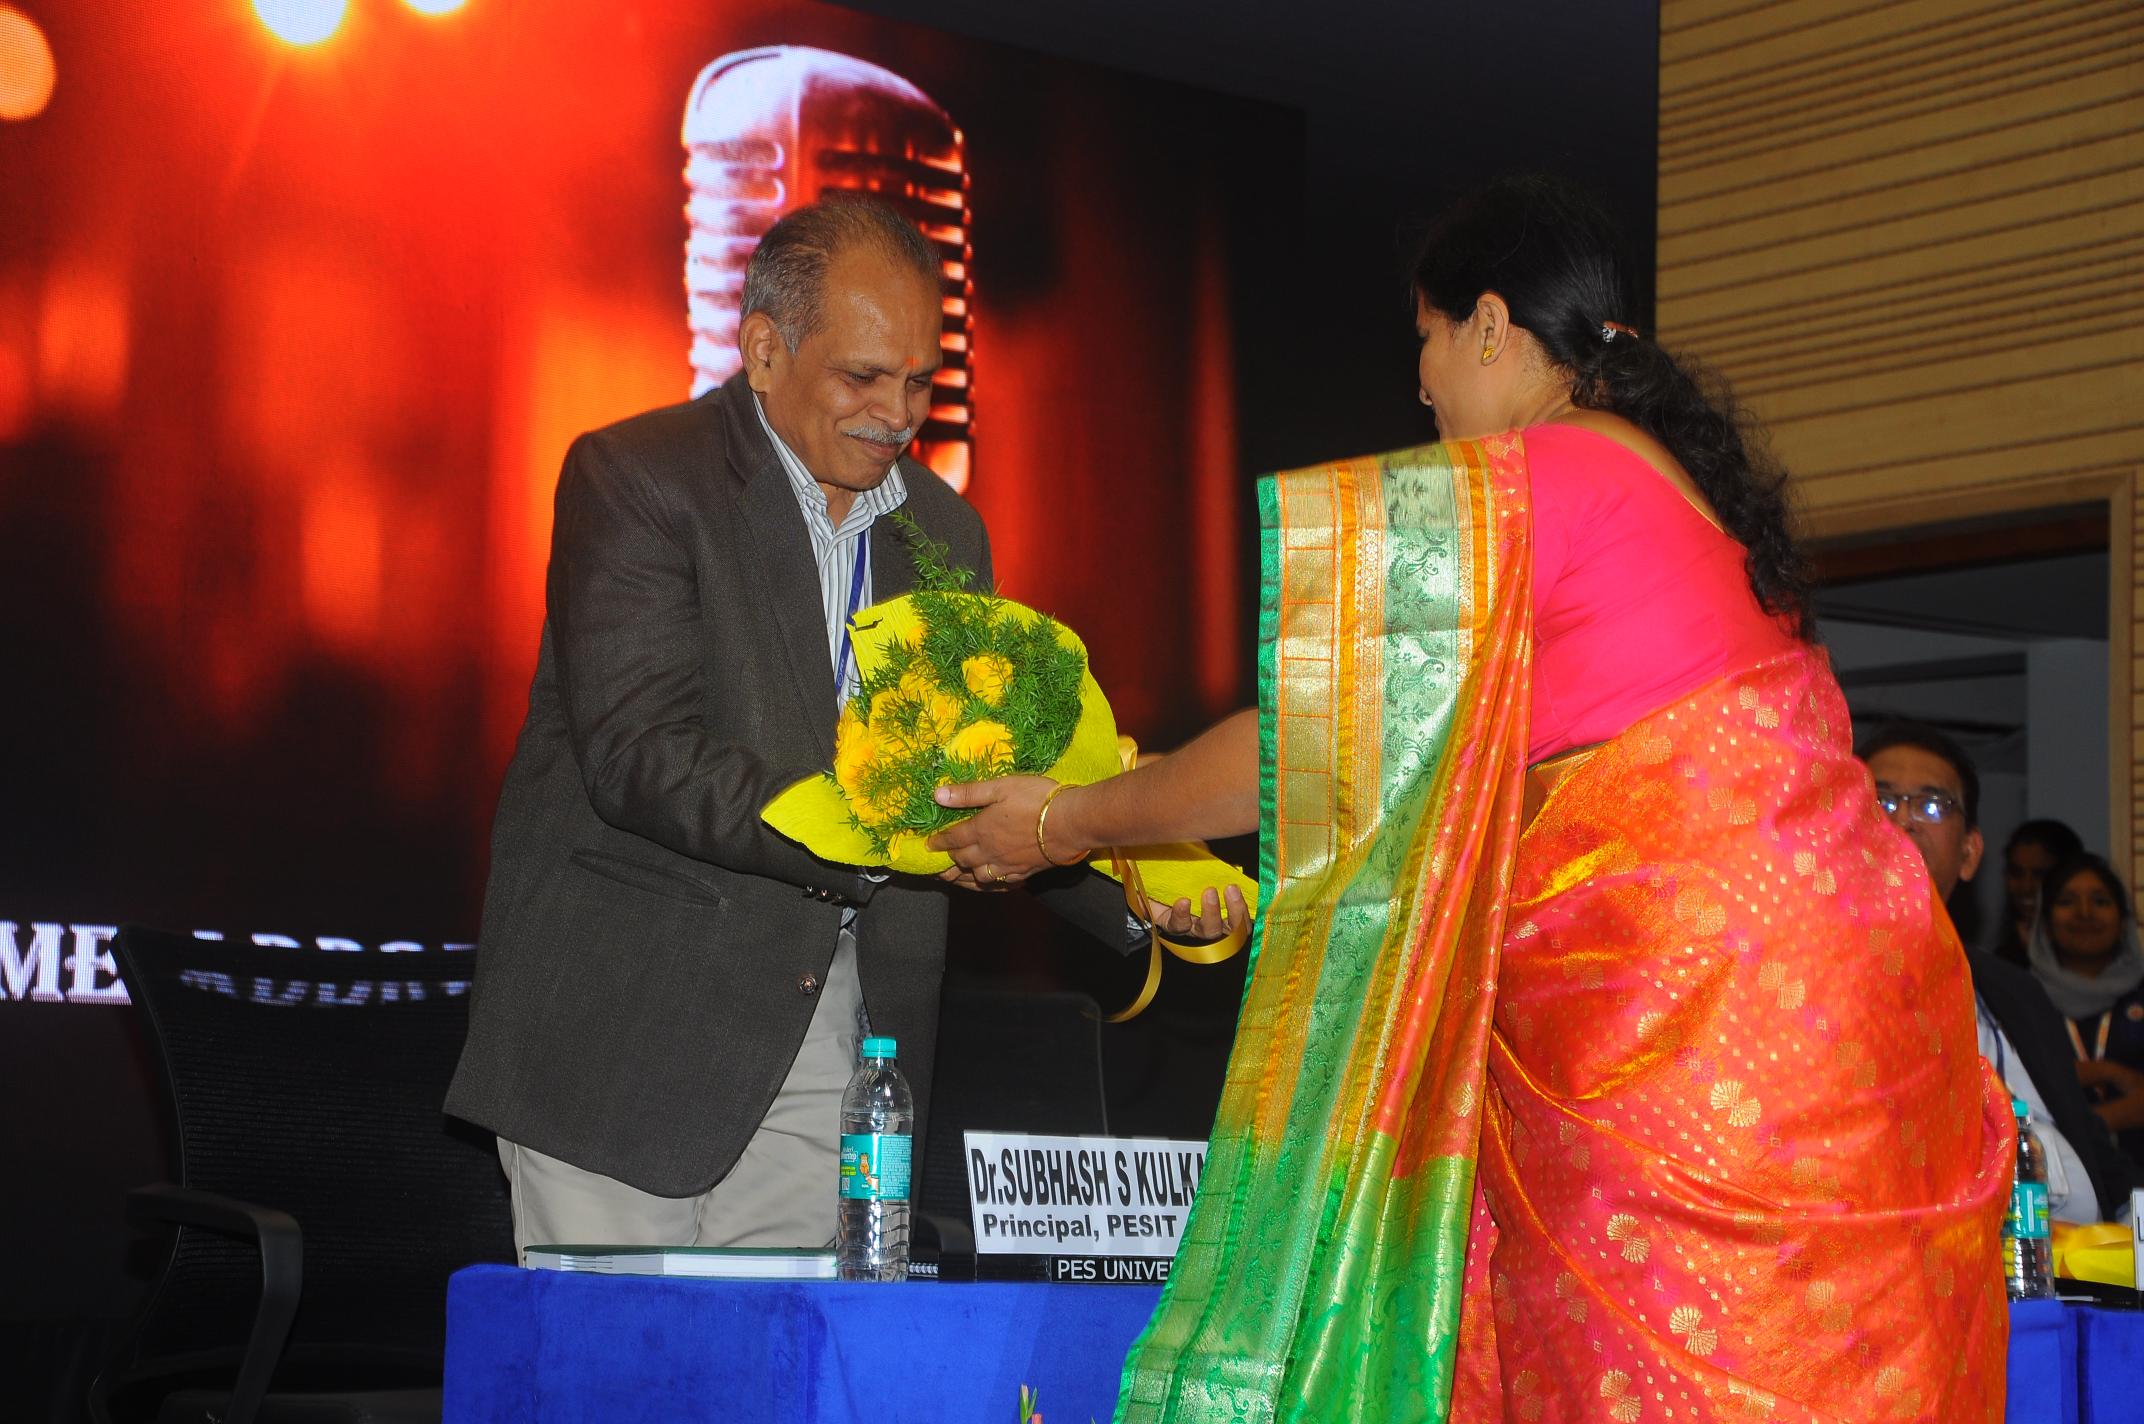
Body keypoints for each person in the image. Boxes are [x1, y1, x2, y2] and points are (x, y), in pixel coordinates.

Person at [934, 175, 2009, 1422]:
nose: (1423, 386)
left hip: (1693, 1060)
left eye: (1425, 343)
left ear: (1489, 325)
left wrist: (1061, 819)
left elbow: (1305, 743)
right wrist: (1238, 894)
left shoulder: (1531, 484)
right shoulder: (1677, 497)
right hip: (1844, 1057)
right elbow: (1455, 815)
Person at [445, 198, 1142, 1260]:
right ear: (764, 349)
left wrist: (1136, 884)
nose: (897, 411)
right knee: (622, 1383)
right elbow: (643, 756)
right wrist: (889, 836)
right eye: (863, 376)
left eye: (918, 381)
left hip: (846, 1040)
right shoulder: (638, 477)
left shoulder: (943, 528)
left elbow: (977, 778)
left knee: (790, 1377)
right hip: (625, 1031)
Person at [1860, 721, 2130, 1221]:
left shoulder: (2013, 992)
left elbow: (2095, 1156)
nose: (1905, 822)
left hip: (2065, 1277)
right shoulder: (1799, 987)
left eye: (1933, 805)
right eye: (1882, 802)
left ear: (1969, 853)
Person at [2029, 854, 2144, 1164]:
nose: (2084, 913)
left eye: (2100, 901)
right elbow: (2015, 1088)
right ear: (2046, 923)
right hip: (2055, 1191)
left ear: (2123, 920)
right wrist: (2107, 1074)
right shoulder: (2019, 997)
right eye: (2067, 901)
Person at [1991, 818, 2086, 966]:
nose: (2026, 887)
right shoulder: (2001, 963)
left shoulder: (2094, 951)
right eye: (2016, 873)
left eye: (2040, 875)